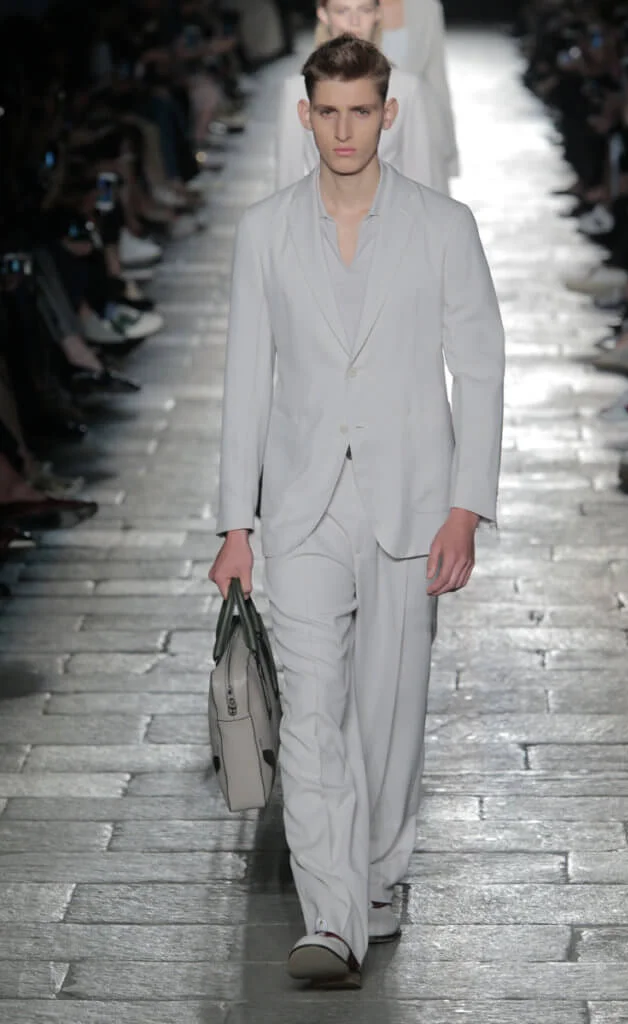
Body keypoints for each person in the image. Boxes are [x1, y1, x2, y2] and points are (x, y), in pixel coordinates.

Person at [209, 34, 504, 989]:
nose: (344, 130)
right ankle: (331, 919)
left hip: (410, 499)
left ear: (388, 113)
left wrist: (466, 507)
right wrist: (235, 524)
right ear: (305, 115)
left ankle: (377, 879)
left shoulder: (442, 226)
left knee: (388, 711)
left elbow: (481, 369)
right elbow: (245, 380)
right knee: (311, 714)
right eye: (327, 112)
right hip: (300, 504)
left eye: (360, 111)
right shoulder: (264, 231)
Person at [276, 0, 441, 192]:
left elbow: (421, 178)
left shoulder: (407, 89)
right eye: (342, 11)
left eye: (365, 10)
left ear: (378, 14)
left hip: (392, 208)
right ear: (323, 14)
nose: (354, 21)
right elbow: (287, 181)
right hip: (319, 207)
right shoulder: (297, 90)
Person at [378, 0, 460, 178]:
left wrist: (449, 152)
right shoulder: (350, 7)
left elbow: (437, 76)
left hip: (420, 127)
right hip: (371, 133)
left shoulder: (426, 7)